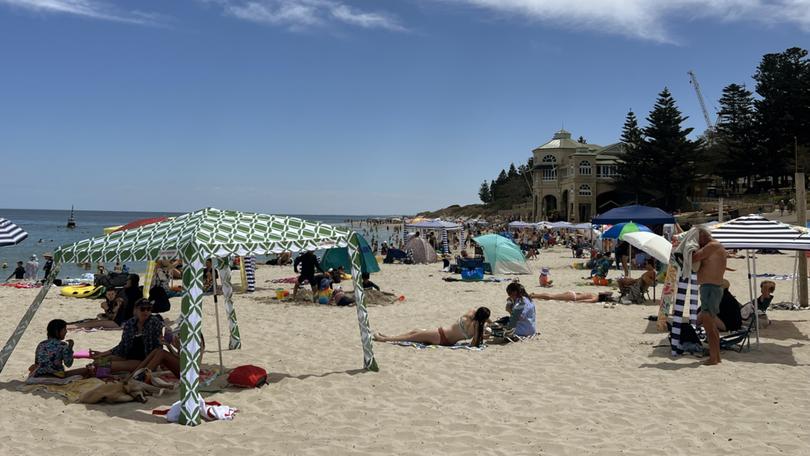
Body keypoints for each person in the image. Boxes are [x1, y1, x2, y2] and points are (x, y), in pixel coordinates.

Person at [90, 299, 164, 373]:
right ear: (135, 310)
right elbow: (122, 345)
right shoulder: (130, 323)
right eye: (142, 309)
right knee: (97, 362)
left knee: (104, 366)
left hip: (142, 361)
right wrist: (102, 354)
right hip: (126, 356)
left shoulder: (154, 323)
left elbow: (158, 347)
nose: (146, 312)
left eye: (149, 309)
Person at [692, 228, 727, 366]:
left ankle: (713, 358)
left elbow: (694, 257)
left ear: (703, 236)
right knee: (711, 325)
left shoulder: (712, 246)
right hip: (711, 288)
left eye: (697, 238)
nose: (697, 241)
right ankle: (716, 356)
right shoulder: (715, 246)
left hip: (711, 288)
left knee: (708, 324)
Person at [373, 307, 491, 347]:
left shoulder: (470, 316)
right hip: (444, 338)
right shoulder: (476, 328)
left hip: (440, 335)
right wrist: (486, 326)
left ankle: (384, 339)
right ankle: (388, 336)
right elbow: (474, 343)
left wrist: (485, 324)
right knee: (414, 331)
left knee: (411, 337)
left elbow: (476, 310)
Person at [529, 290, 613, 303]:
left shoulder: (594, 294)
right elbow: (587, 301)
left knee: (553, 295)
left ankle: (536, 295)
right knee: (552, 297)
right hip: (573, 297)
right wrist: (576, 302)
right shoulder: (596, 298)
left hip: (573, 293)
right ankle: (534, 296)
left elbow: (610, 292)